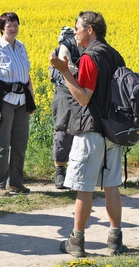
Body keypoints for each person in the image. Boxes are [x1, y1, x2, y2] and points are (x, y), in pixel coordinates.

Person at [50, 11, 126, 257]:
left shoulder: (89, 57)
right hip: (113, 132)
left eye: (77, 28)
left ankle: (77, 241)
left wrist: (64, 71)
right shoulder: (115, 55)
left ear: (90, 30)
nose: (75, 32)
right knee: (112, 185)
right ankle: (115, 241)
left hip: (91, 130)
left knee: (84, 187)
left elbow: (83, 97)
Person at [0, 12, 36, 197]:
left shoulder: (21, 47)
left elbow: (26, 75)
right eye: (9, 26)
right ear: (2, 29)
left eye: (15, 25)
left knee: (20, 142)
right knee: (1, 143)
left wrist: (32, 98)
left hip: (21, 101)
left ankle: (16, 182)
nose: (13, 29)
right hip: (4, 101)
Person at [51, 34, 83, 189]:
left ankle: (81, 171)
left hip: (84, 90)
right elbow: (67, 66)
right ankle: (60, 170)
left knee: (87, 130)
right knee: (63, 129)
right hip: (65, 90)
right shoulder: (66, 47)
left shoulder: (91, 46)